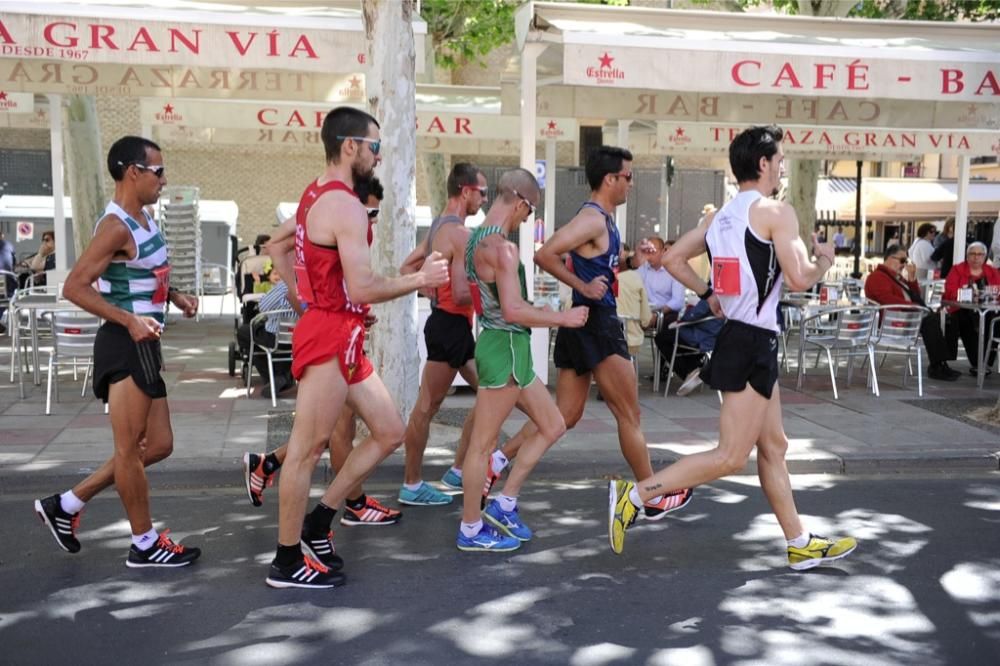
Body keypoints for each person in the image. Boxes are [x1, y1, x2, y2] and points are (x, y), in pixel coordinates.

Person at [609, 125, 856, 571]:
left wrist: (710, 295)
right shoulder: (776, 212)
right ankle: (640, 493)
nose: (783, 166)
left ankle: (798, 541)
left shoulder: (720, 217)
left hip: (743, 336)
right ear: (763, 164)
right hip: (752, 340)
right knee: (729, 455)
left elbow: (670, 259)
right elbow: (799, 278)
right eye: (780, 159)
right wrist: (824, 259)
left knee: (775, 445)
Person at [261, 107, 448, 589]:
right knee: (305, 451)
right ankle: (285, 562)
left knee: (389, 431)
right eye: (375, 147)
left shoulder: (314, 193)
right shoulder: (343, 203)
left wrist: (307, 299)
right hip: (330, 334)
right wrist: (419, 278)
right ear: (350, 146)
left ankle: (320, 521)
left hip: (341, 332)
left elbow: (276, 248)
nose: (378, 156)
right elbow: (363, 287)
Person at [494, 146, 693, 522]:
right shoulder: (593, 218)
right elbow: (545, 253)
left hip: (585, 323)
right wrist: (583, 288)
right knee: (629, 414)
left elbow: (582, 261)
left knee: (564, 415)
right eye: (629, 177)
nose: (632, 184)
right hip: (598, 324)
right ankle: (650, 496)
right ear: (610, 179)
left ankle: (498, 459)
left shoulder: (603, 220)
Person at [33, 136, 202, 568]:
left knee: (159, 444)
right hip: (123, 344)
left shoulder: (142, 218)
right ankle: (144, 544)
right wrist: (128, 319)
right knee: (130, 450)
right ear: (133, 171)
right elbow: (74, 286)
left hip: (145, 343)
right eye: (158, 171)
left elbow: (143, 273)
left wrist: (175, 295)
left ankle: (67, 503)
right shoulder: (115, 226)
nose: (164, 180)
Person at [242, 177, 402, 527]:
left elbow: (285, 248)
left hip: (344, 333)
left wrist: (338, 307)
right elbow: (277, 244)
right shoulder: (331, 207)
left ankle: (276, 470)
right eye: (371, 212)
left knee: (338, 432)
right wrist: (313, 303)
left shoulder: (336, 216)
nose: (372, 221)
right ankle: (343, 510)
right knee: (324, 438)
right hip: (328, 335)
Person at [457, 168, 588, 552]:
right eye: (529, 212)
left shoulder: (474, 241)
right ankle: (470, 528)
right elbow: (513, 310)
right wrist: (563, 318)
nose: (527, 219)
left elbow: (481, 298)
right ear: (520, 202)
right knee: (481, 446)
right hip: (505, 348)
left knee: (553, 423)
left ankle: (505, 502)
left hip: (503, 345)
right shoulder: (502, 247)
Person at [396, 163, 487, 506]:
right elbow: (463, 295)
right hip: (449, 326)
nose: (484, 198)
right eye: (482, 192)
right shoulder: (461, 235)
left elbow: (408, 267)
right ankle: (412, 484)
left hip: (451, 325)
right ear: (466, 191)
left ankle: (459, 470)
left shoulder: (438, 228)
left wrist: (431, 289)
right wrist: (494, 291)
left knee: (494, 392)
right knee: (426, 407)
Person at [864, 244, 960, 381]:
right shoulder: (877, 277)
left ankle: (942, 362)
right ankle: (937, 366)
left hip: (908, 316)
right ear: (889, 258)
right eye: (902, 260)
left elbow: (916, 296)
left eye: (906, 261)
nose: (904, 264)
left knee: (950, 319)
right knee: (930, 321)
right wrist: (915, 307)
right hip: (892, 321)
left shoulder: (896, 277)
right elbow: (887, 300)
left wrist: (912, 277)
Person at [943, 241, 1000, 376]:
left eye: (980, 254)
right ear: (967, 256)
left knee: (994, 322)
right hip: (962, 309)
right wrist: (968, 294)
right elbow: (950, 292)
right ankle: (978, 362)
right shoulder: (957, 270)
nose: (976, 257)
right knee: (967, 319)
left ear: (985, 256)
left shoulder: (992, 271)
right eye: (973, 254)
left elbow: (998, 291)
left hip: (988, 309)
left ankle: (985, 361)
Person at [654, 297, 724, 396]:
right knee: (672, 338)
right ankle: (693, 368)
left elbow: (694, 314)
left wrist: (682, 319)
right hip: (715, 338)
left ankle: (689, 371)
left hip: (700, 336)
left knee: (661, 338)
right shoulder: (730, 297)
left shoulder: (712, 296)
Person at [637, 236, 686, 326]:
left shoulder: (674, 270)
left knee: (669, 321)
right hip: (644, 311)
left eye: (653, 252)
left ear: (663, 251)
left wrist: (658, 314)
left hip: (666, 312)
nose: (649, 256)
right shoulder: (643, 269)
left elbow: (678, 301)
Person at [615, 247, 653, 361]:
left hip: (602, 339)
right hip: (631, 339)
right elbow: (646, 319)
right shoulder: (636, 279)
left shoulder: (598, 277)